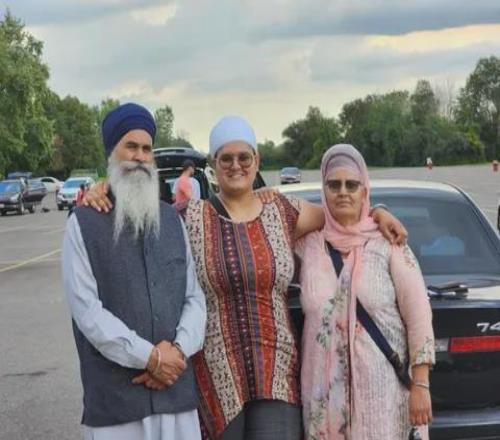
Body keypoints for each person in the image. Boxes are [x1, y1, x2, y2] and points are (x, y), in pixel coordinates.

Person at [83, 116, 407, 440]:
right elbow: (136, 223)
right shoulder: (189, 216)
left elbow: (342, 213)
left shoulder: (282, 210)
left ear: (256, 161)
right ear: (213, 163)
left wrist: (377, 210)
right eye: (226, 158)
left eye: (244, 157)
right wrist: (104, 191)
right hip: (215, 375)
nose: (236, 166)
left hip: (276, 370)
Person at [61, 103, 206, 440]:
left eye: (146, 149)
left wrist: (177, 352)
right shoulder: (82, 225)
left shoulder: (172, 220)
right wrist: (150, 358)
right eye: (131, 146)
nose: (140, 157)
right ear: (112, 152)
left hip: (176, 398)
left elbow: (194, 298)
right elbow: (88, 313)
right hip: (116, 409)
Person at [296, 144, 434, 439]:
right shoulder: (309, 245)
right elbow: (264, 212)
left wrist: (421, 385)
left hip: (382, 398)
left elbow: (419, 315)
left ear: (364, 190)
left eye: (352, 185)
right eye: (334, 185)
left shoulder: (389, 244)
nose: (343, 192)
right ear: (323, 191)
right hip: (323, 401)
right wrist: (375, 211)